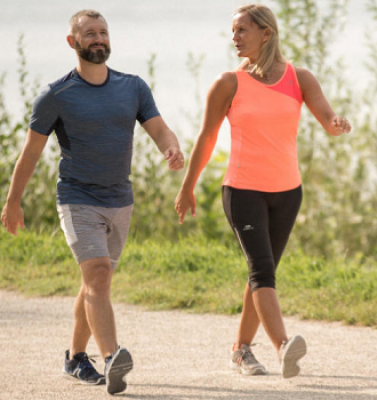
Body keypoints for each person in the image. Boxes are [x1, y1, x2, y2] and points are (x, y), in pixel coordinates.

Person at [1, 9, 184, 395]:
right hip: (77, 197)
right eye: (89, 34)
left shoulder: (133, 87)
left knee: (94, 284)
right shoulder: (56, 95)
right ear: (73, 42)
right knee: (98, 274)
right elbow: (31, 152)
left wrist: (171, 148)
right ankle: (113, 357)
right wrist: (13, 201)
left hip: (121, 199)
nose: (98, 39)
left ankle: (75, 358)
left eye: (103, 33)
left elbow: (159, 128)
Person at [175, 4, 351, 379]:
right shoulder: (228, 83)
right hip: (242, 190)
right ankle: (283, 346)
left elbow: (326, 116)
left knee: (262, 272)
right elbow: (206, 139)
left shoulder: (299, 77)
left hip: (288, 191)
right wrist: (188, 186)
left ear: (266, 34)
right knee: (262, 270)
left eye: (242, 30)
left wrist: (336, 124)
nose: (234, 37)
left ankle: (240, 350)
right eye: (234, 30)